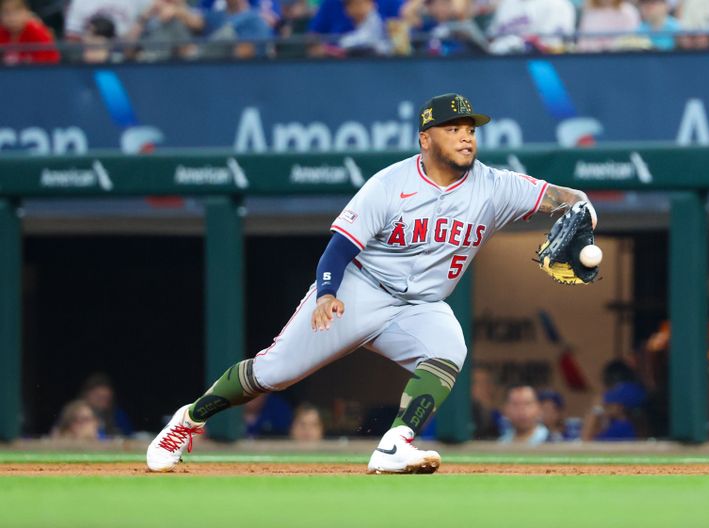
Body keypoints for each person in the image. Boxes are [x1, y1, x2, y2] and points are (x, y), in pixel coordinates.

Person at [146, 92, 597, 474]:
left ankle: (394, 443)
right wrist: (326, 294)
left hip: (420, 304)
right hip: (360, 290)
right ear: (425, 138)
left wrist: (583, 213)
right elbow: (340, 247)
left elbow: (565, 199)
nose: (466, 136)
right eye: (453, 128)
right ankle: (188, 419)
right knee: (273, 372)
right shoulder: (390, 184)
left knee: (449, 348)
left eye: (471, 129)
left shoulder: (496, 186)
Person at [486, 0, 575, 54]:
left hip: (539, 67)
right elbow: (492, 38)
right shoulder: (507, 4)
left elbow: (552, 46)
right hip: (499, 64)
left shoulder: (558, 4)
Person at [0, 0, 60, 64]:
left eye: (17, 12)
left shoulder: (37, 32)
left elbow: (46, 65)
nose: (11, 18)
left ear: (27, 12)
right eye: (6, 12)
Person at [64, 0, 153, 41]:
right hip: (91, 53)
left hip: (126, 51)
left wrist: (140, 23)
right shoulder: (80, 2)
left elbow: (159, 10)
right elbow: (72, 36)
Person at [80, 372, 134, 437]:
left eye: (106, 398)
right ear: (87, 395)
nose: (103, 402)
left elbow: (129, 436)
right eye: (99, 397)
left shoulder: (118, 415)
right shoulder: (76, 413)